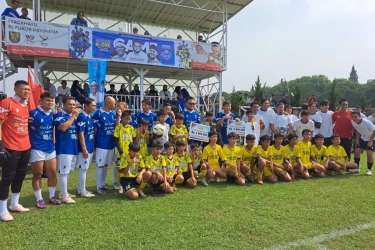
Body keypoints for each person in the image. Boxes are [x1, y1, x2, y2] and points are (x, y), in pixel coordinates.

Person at [0, 80, 31, 221]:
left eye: (28, 89)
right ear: (15, 89)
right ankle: (2, 210)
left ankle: (14, 204)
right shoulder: (6, 103)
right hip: (10, 147)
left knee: (20, 176)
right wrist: (1, 146)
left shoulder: (26, 105)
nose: (27, 91)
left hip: (25, 147)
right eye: (24, 89)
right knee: (7, 178)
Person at [29, 92, 61, 209]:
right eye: (48, 101)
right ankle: (39, 199)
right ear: (41, 101)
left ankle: (52, 196)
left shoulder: (53, 115)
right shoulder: (33, 113)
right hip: (37, 148)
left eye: (52, 101)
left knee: (52, 173)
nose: (50, 103)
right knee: (37, 174)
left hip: (50, 148)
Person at [54, 96, 81, 204]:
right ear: (64, 105)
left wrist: (74, 116)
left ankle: (63, 192)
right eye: (70, 104)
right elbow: (63, 127)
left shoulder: (73, 116)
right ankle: (64, 196)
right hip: (64, 148)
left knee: (68, 171)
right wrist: (73, 116)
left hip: (73, 147)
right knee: (64, 173)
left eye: (74, 104)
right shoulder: (60, 115)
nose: (72, 106)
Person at [93, 96, 121, 195]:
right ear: (109, 103)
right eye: (114, 103)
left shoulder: (113, 113)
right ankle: (98, 187)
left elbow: (116, 127)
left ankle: (103, 184)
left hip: (111, 144)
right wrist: (94, 143)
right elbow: (94, 130)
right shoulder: (98, 113)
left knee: (105, 165)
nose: (115, 105)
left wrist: (118, 116)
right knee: (100, 165)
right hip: (101, 144)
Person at [76, 98, 96, 197]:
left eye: (95, 105)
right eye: (92, 105)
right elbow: (81, 133)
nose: (94, 107)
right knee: (83, 168)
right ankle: (83, 191)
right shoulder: (82, 117)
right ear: (86, 105)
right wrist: (84, 148)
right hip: (84, 148)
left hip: (89, 146)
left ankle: (81, 189)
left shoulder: (89, 116)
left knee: (85, 168)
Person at [113, 111, 137, 191]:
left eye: (129, 119)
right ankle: (120, 185)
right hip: (121, 153)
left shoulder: (131, 128)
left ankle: (129, 183)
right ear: (122, 118)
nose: (127, 121)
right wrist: (120, 151)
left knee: (128, 167)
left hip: (130, 153)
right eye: (126, 119)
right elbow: (116, 140)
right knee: (120, 169)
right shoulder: (118, 128)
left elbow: (133, 140)